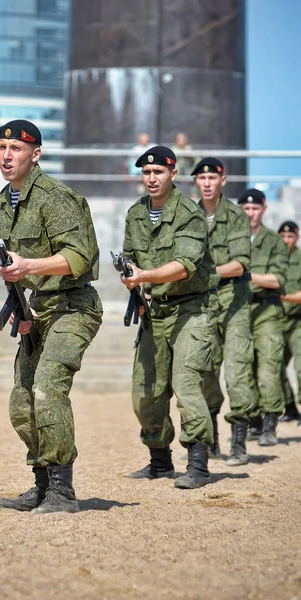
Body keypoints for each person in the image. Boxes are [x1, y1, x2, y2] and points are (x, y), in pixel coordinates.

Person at [0, 119, 103, 515]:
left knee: (47, 387)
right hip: (36, 307)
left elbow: (79, 257)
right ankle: (40, 485)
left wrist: (28, 267)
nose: (6, 156)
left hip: (73, 306)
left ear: (34, 154)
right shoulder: (5, 201)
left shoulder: (55, 197)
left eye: (16, 149)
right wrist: (19, 303)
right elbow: (11, 266)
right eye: (1, 149)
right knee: (21, 401)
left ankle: (62, 491)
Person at [121, 145, 220, 489]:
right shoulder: (135, 214)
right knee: (145, 392)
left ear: (173, 174)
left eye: (158, 172)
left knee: (185, 383)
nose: (151, 178)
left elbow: (183, 267)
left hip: (193, 308)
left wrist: (143, 276)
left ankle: (198, 464)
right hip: (156, 310)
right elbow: (130, 259)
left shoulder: (190, 213)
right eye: (146, 173)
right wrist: (131, 277)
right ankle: (160, 461)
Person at [192, 158, 255, 465]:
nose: (206, 182)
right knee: (205, 370)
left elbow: (240, 263)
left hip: (235, 301)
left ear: (223, 180)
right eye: (201, 177)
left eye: (212, 177)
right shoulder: (188, 215)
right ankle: (212, 435)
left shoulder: (236, 215)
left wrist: (205, 273)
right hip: (203, 302)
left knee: (238, 369)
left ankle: (240, 442)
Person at [238, 188, 289, 446]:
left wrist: (245, 275)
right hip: (239, 310)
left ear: (263, 209)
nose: (250, 213)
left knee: (268, 368)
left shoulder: (274, 242)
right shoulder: (232, 239)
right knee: (244, 369)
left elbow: (278, 279)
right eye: (245, 209)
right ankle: (255, 421)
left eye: (255, 208)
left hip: (267, 311)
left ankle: (270, 421)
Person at [278, 221, 301, 425]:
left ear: (297, 237)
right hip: (277, 322)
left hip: (298, 323)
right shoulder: (274, 260)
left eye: (290, 237)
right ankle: (291, 408)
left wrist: (281, 296)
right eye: (283, 237)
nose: (286, 240)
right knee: (275, 367)